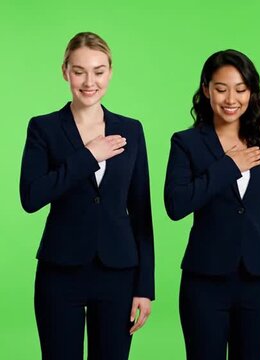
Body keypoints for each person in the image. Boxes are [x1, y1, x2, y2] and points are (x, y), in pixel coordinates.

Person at [19, 32, 154, 359]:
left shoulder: (131, 129)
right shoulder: (43, 128)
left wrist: (144, 288)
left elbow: (140, 211)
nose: (89, 81)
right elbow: (31, 196)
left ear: (110, 72)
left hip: (118, 272)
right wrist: (88, 156)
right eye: (79, 71)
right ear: (65, 71)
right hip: (60, 271)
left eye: (98, 70)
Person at [164, 49, 260, 360]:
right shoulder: (186, 143)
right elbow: (176, 205)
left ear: (252, 92)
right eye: (221, 89)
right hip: (204, 282)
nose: (231, 99)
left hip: (259, 282)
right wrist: (228, 167)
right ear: (206, 90)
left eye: (241, 89)